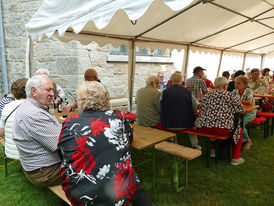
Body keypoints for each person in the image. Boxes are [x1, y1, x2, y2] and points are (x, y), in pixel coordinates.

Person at [58, 81, 152, 206]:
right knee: (134, 184)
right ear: (105, 99)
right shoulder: (118, 117)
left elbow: (61, 151)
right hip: (120, 190)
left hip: (80, 193)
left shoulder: (70, 122)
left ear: (81, 101)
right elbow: (129, 138)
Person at [12, 75, 63, 187]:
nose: (52, 94)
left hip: (36, 168)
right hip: (45, 173)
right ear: (34, 91)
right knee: (92, 163)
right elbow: (61, 145)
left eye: (53, 90)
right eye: (48, 90)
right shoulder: (34, 114)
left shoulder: (29, 106)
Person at [195, 77, 245, 166]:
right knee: (239, 130)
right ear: (226, 86)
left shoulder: (207, 95)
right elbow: (241, 110)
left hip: (202, 127)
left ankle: (213, 151)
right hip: (222, 129)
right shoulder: (230, 95)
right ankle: (235, 158)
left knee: (213, 126)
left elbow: (201, 109)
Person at [161, 71, 200, 150]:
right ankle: (195, 145)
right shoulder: (188, 92)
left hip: (168, 122)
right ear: (181, 81)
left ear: (171, 81)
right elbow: (195, 105)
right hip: (186, 123)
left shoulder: (164, 92)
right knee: (193, 125)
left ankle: (173, 141)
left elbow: (160, 105)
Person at [0, 78, 28, 160]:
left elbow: (1, 132)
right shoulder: (30, 107)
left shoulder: (6, 107)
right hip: (27, 153)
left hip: (9, 151)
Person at [232, 75, 255, 150]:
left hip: (249, 113)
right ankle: (235, 140)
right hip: (238, 113)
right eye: (235, 83)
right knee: (233, 123)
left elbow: (249, 102)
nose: (236, 85)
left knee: (239, 124)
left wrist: (237, 101)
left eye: (239, 83)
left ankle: (248, 141)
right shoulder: (234, 91)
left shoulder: (248, 91)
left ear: (245, 85)